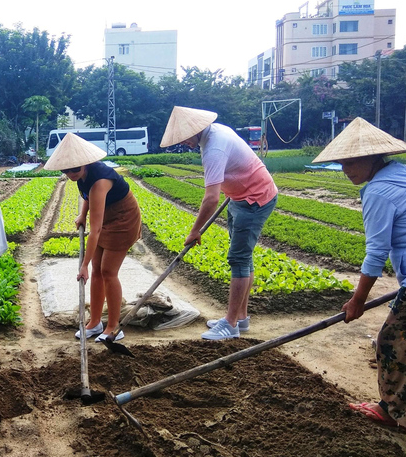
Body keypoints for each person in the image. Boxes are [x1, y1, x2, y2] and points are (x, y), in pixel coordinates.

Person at [310, 117, 406, 436]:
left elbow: (375, 254)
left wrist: (357, 301)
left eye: (352, 162)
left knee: (392, 342)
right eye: (342, 163)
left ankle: (393, 410)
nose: (346, 170)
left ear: (373, 158)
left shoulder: (379, 191)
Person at [160, 106, 278, 340]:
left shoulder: (214, 147)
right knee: (244, 258)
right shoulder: (214, 134)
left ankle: (231, 324)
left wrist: (195, 231)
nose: (184, 143)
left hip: (254, 199)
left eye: (184, 139)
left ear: (195, 130)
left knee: (238, 259)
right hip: (239, 196)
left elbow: (211, 197)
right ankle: (241, 318)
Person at [44, 132, 142, 342]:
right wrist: (82, 214)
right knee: (98, 270)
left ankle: (114, 327)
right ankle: (95, 322)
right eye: (66, 169)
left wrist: (83, 265)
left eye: (75, 169)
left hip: (123, 219)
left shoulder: (101, 180)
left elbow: (95, 230)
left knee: (108, 271)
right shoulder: (82, 176)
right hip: (106, 214)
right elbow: (87, 196)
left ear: (85, 163)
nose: (70, 173)